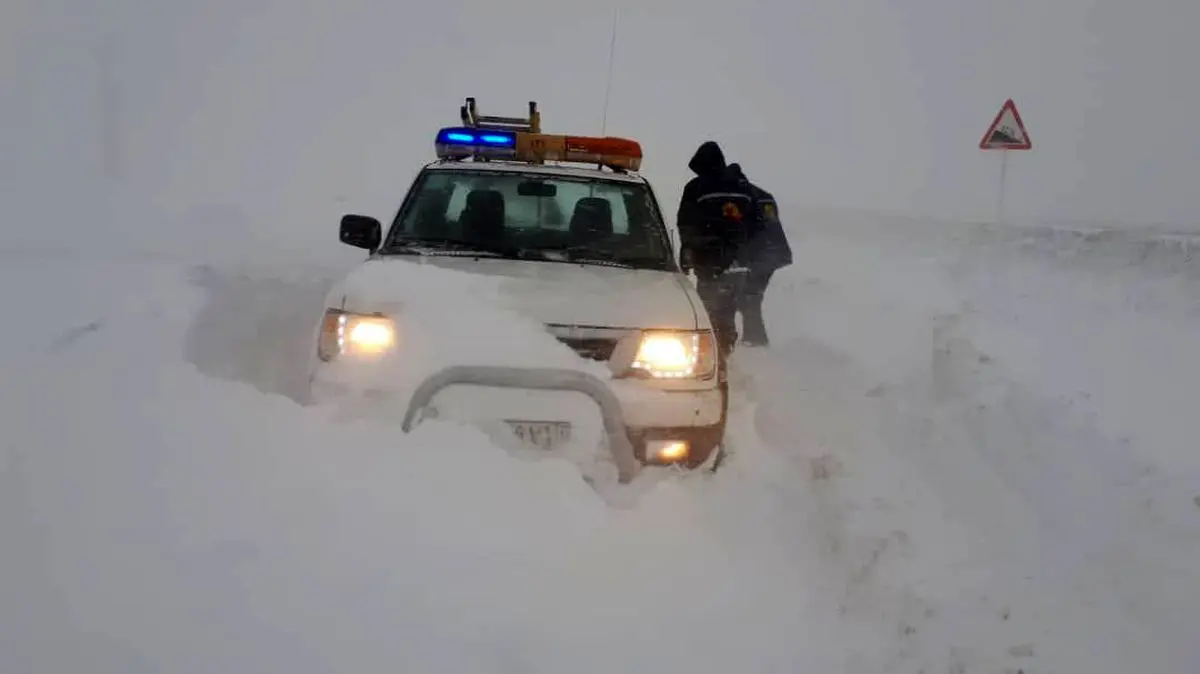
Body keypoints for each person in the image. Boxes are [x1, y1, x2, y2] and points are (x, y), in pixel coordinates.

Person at [675, 141, 762, 358]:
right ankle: (724, 353)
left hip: (709, 262)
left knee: (707, 311)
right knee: (727, 310)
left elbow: (685, 224)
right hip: (739, 263)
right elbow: (757, 223)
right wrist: (743, 248)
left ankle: (711, 358)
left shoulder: (696, 187)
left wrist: (690, 253)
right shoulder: (744, 188)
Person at [727, 162, 792, 347]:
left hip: (760, 256)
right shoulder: (763, 195)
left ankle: (756, 340)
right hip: (776, 253)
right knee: (750, 297)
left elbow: (745, 230)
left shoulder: (743, 197)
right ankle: (753, 338)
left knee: (748, 297)